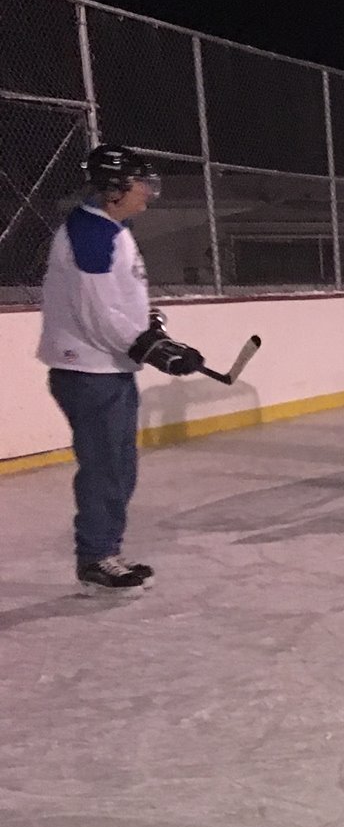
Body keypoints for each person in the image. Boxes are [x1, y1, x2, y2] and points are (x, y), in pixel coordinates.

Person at [38, 144, 202, 591]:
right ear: (114, 188)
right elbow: (98, 311)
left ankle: (104, 549)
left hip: (105, 367)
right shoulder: (92, 234)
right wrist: (149, 346)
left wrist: (152, 332)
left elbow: (119, 303)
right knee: (106, 467)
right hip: (90, 371)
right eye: (140, 184)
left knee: (117, 466)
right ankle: (96, 556)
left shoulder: (110, 228)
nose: (148, 193)